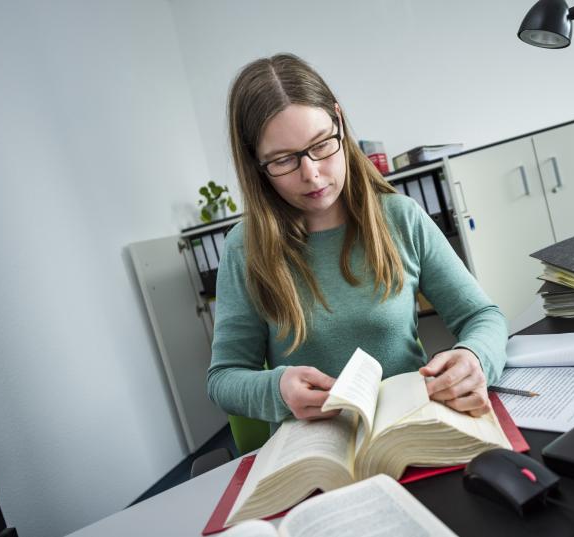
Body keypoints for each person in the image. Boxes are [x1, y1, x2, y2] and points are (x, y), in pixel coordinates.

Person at [207, 53, 508, 433]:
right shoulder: (245, 247)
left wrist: (474, 357)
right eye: (283, 160)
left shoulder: (401, 218)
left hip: (411, 430)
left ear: (339, 122)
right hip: (314, 453)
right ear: (256, 164)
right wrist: (277, 388)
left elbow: (484, 317)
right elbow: (223, 378)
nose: (312, 174)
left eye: (321, 144)